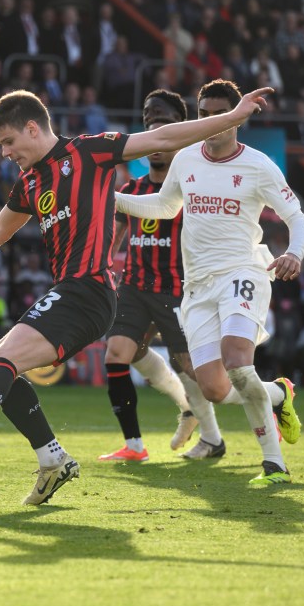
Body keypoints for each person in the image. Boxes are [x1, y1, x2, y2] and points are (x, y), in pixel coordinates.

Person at [0, 85, 275, 505]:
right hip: (72, 291)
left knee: (0, 362)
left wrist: (234, 115)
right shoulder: (30, 181)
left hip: (89, 289)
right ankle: (52, 459)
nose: (5, 152)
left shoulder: (90, 151)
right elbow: (1, 228)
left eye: (8, 141)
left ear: (33, 128)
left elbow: (164, 138)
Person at [114, 79, 304, 486]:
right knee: (216, 389)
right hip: (197, 287)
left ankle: (273, 464)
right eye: (204, 115)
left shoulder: (257, 165)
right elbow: (166, 206)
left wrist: (294, 252)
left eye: (220, 113)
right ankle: (278, 395)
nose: (212, 122)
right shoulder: (186, 159)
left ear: (237, 116)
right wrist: (110, 198)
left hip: (243, 272)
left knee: (238, 361)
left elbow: (297, 217)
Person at [101, 89, 225, 463]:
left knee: (195, 372)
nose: (154, 135)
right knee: (118, 354)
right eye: (149, 125)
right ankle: (135, 446)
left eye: (164, 125)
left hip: (179, 290)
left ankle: (229, 423)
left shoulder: (194, 188)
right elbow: (114, 237)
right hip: (136, 288)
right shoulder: (132, 189)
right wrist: (101, 267)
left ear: (181, 131)